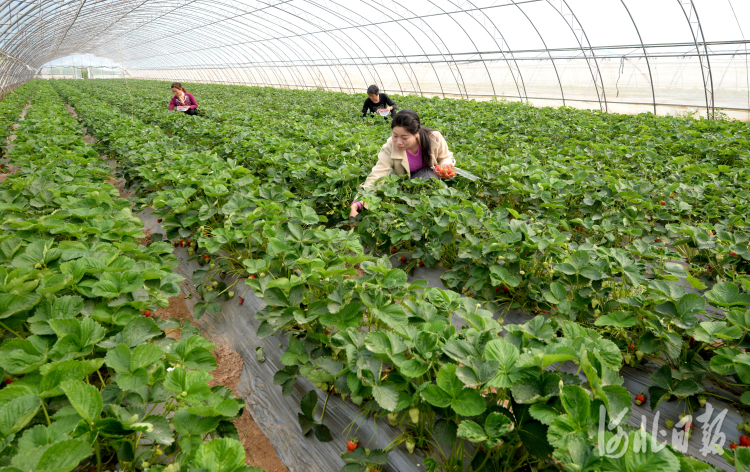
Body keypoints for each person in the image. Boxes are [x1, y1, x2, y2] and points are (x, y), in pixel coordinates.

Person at [349, 109, 455, 217]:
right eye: (395, 136)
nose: (398, 142)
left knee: (429, 176)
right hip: (402, 184)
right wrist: (358, 202)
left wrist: (445, 167)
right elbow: (377, 174)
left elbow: (445, 157)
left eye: (404, 137)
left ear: (416, 134)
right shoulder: (390, 146)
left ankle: (425, 211)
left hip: (426, 177)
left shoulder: (433, 137)